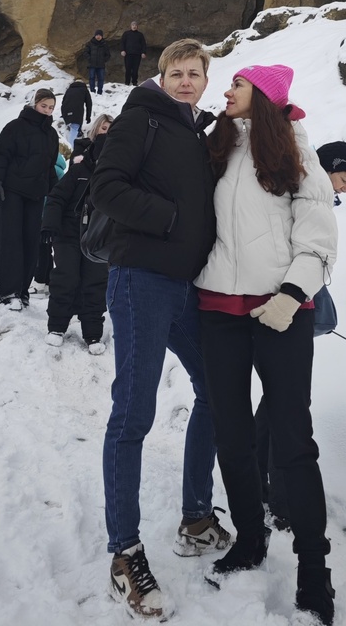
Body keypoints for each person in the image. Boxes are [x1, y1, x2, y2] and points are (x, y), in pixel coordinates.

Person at [90, 38, 231, 619]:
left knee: (219, 392)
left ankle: (196, 518)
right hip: (141, 280)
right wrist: (170, 220)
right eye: (176, 72)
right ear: (161, 75)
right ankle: (124, 556)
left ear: (205, 78)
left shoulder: (196, 131)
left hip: (185, 287)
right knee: (133, 415)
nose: (185, 81)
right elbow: (107, 188)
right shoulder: (140, 120)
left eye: (195, 73)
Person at [196, 64, 338, 626]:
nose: (226, 92)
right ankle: (251, 539)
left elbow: (319, 235)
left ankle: (312, 569)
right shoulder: (219, 144)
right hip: (217, 311)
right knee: (231, 434)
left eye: (238, 85)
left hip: (280, 313)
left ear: (266, 97)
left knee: (292, 439)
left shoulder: (298, 155)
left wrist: (292, 294)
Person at [255, 139, 346, 530]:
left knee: (276, 401)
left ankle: (260, 485)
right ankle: (283, 503)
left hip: (283, 306)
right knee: (290, 405)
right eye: (345, 178)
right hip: (285, 308)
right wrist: (291, 297)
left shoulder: (302, 190)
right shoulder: (303, 192)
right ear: (330, 167)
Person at [43, 114, 113, 353]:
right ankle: (57, 327)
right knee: (66, 277)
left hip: (98, 238)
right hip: (69, 232)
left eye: (112, 131)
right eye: (103, 129)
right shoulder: (79, 167)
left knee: (95, 282)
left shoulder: (118, 172)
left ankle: (93, 334)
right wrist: (49, 225)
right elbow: (56, 197)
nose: (107, 134)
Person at [0, 88, 60, 311]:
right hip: (13, 191)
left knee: (31, 243)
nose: (47, 111)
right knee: (11, 241)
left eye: (51, 108)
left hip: (36, 194)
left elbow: (49, 168)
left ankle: (22, 290)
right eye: (43, 106)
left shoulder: (51, 134)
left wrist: (56, 195)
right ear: (34, 104)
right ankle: (7, 292)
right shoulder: (15, 127)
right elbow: (0, 154)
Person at [31, 145, 68, 294]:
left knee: (41, 249)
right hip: (54, 215)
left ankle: (40, 281)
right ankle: (47, 281)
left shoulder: (49, 170)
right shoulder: (61, 172)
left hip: (44, 213)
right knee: (47, 249)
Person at [61, 78, 93, 146]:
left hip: (65, 110)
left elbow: (63, 102)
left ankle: (78, 133)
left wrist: (64, 115)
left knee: (74, 126)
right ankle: (70, 148)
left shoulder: (69, 90)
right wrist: (88, 117)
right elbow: (89, 104)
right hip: (76, 111)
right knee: (74, 128)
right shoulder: (84, 89)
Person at [119, 20, 147, 86]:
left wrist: (143, 52)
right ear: (130, 26)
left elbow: (143, 44)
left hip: (137, 55)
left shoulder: (140, 35)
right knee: (128, 69)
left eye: (135, 25)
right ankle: (127, 82)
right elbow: (122, 42)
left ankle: (134, 82)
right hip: (128, 54)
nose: (134, 26)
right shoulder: (126, 34)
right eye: (133, 25)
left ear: (137, 27)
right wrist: (122, 50)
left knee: (135, 69)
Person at [85, 29, 111, 94]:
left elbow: (108, 55)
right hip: (92, 64)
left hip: (101, 65)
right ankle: (92, 91)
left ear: (102, 36)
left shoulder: (104, 44)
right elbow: (85, 52)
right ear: (95, 36)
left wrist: (104, 60)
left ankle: (100, 91)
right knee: (91, 78)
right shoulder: (90, 43)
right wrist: (89, 58)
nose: (98, 36)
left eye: (99, 35)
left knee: (101, 78)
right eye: (97, 35)